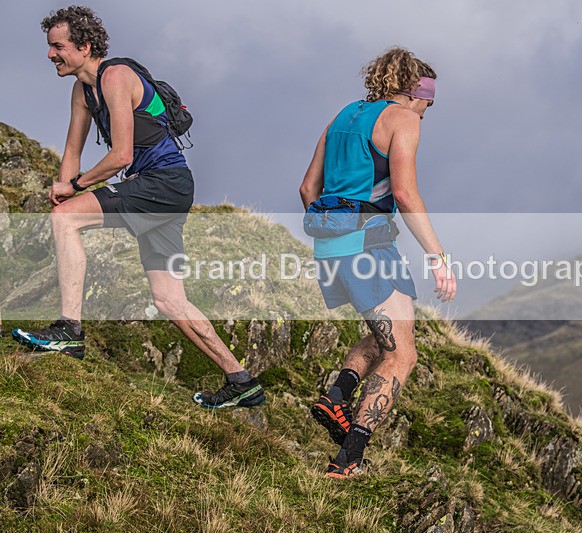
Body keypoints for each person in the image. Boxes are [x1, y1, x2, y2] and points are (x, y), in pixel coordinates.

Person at [11, 6, 264, 409]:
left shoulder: (116, 77)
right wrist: (64, 186)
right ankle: (241, 380)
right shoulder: (82, 91)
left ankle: (69, 330)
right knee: (168, 301)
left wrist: (74, 189)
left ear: (85, 46)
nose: (50, 55)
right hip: (161, 190)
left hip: (163, 184)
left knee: (65, 220)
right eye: (49, 47)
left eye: (57, 47)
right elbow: (73, 149)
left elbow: (122, 155)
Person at [300, 47, 457, 478]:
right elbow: (405, 194)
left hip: (331, 246)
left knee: (386, 332)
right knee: (403, 356)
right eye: (429, 102)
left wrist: (333, 230)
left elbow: (307, 187)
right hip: (369, 246)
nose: (427, 112)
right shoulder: (402, 119)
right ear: (415, 93)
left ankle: (336, 398)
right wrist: (439, 259)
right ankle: (347, 461)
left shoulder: (343, 116)